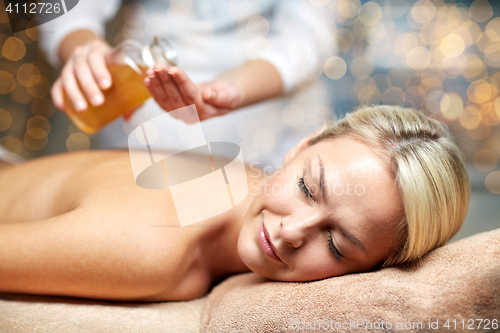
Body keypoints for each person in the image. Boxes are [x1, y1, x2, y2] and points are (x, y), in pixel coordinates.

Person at [0, 106, 470, 301]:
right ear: (302, 144)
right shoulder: (150, 247)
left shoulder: (236, 178)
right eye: (308, 188)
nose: (291, 232)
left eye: (335, 243)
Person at [39, 0, 333, 167]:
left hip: (262, 128)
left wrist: (232, 89)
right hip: (138, 124)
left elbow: (308, 34)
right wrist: (82, 45)